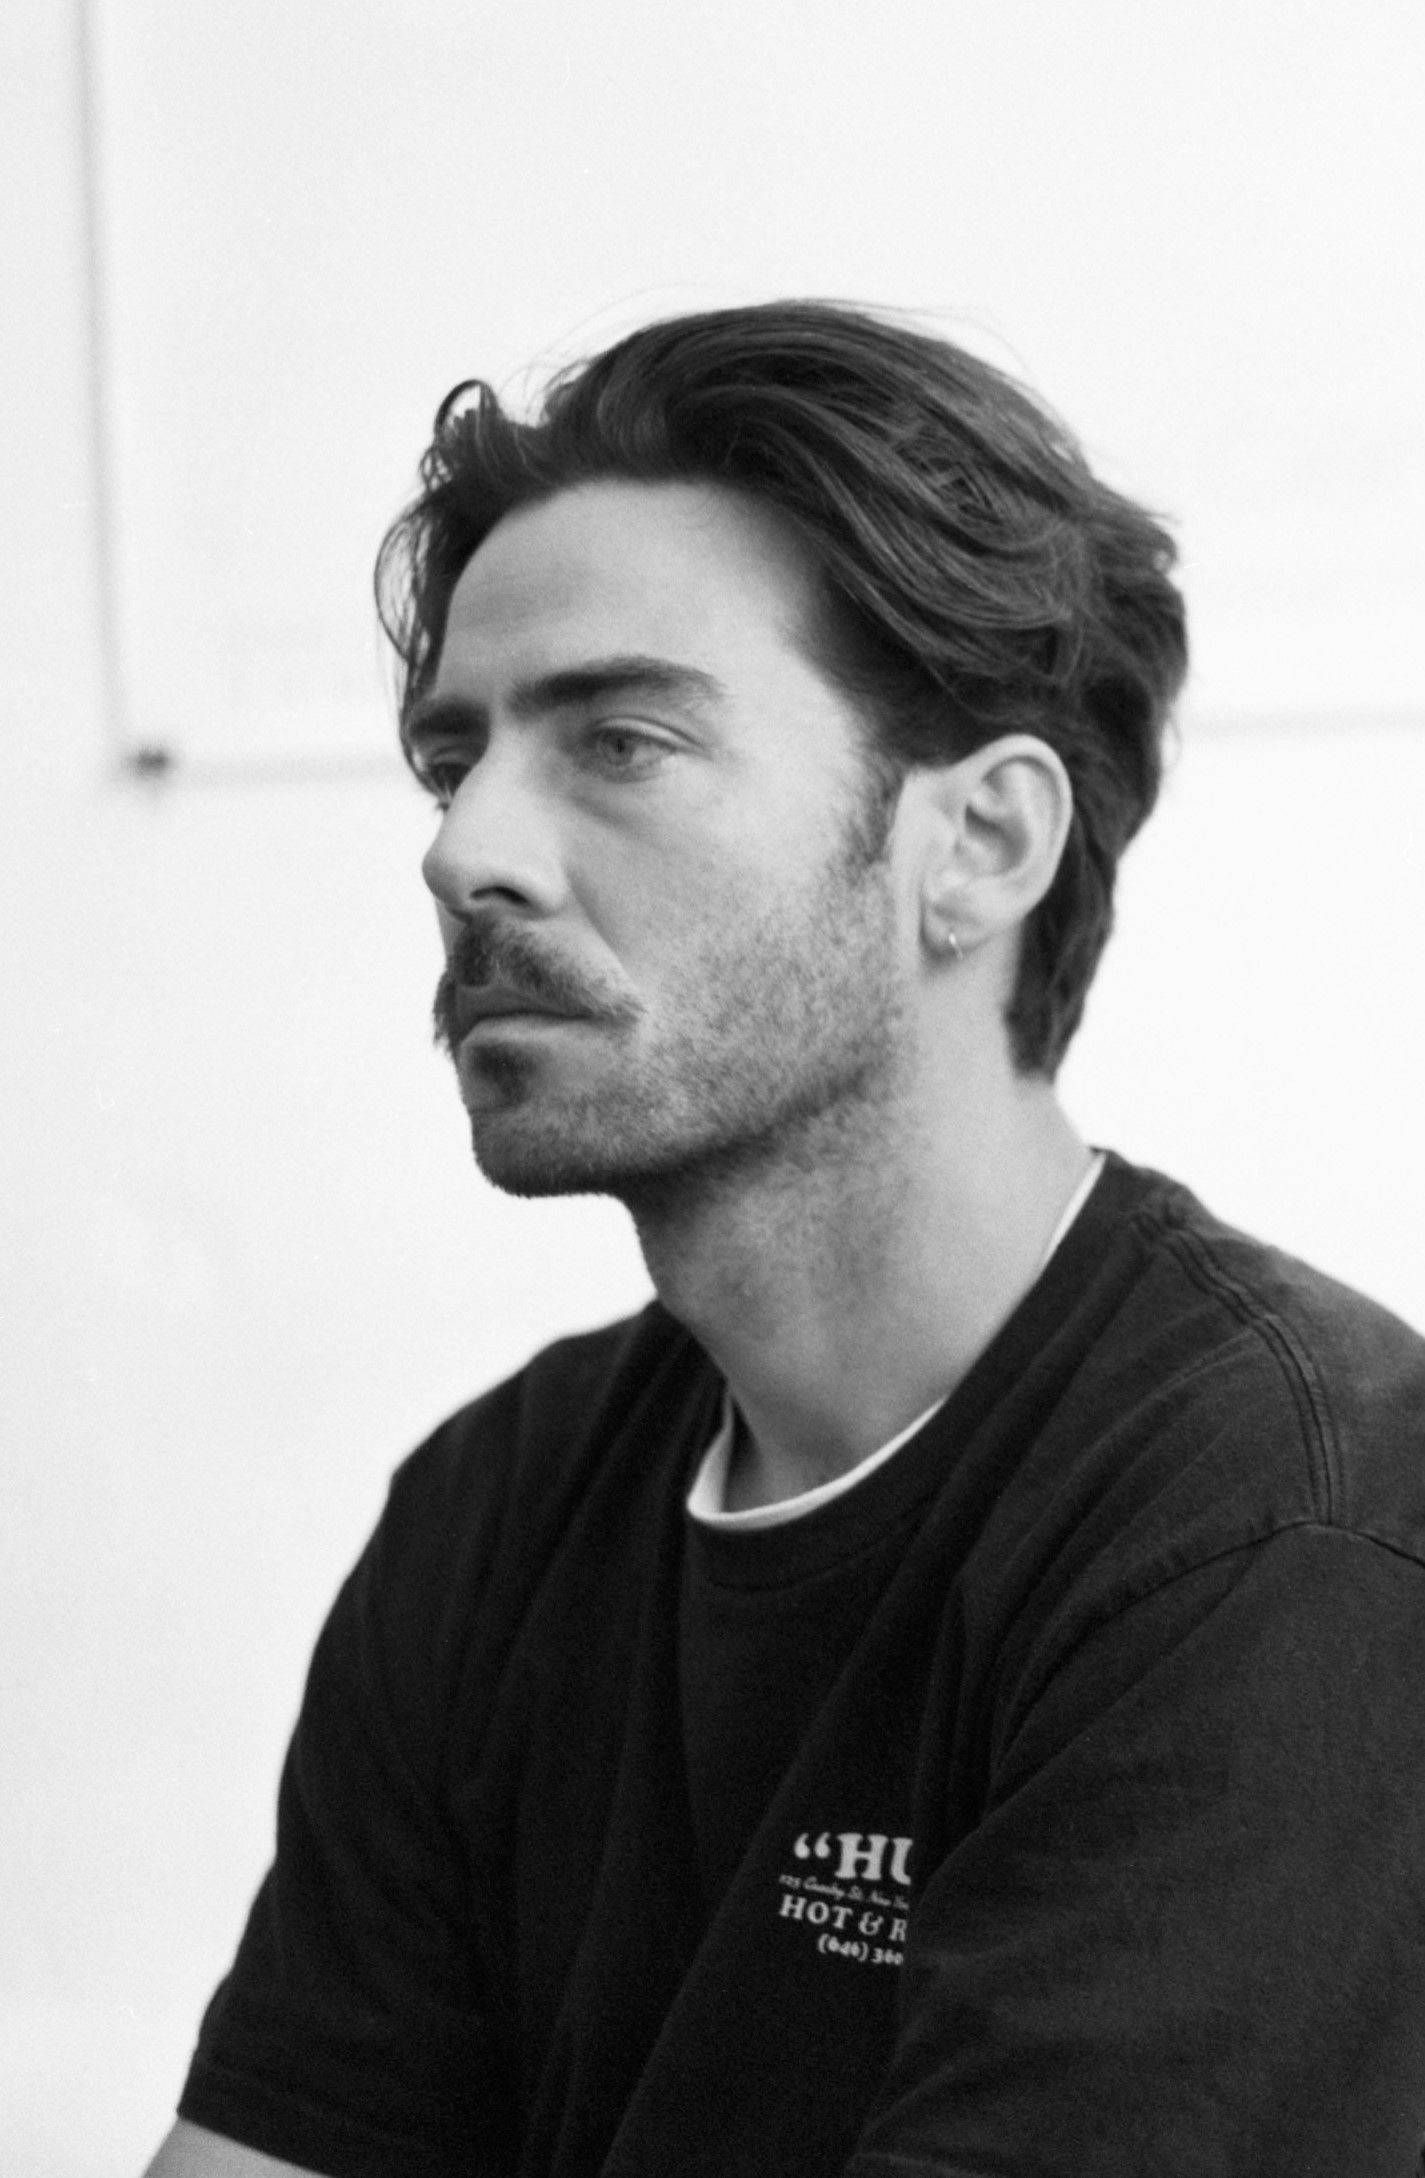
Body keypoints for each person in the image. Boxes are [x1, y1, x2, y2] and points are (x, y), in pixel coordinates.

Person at [143, 302, 1425, 2178]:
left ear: (979, 842)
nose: (464, 850)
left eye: (621, 740)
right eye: (451, 759)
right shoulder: (495, 1509)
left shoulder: (1279, 1532)